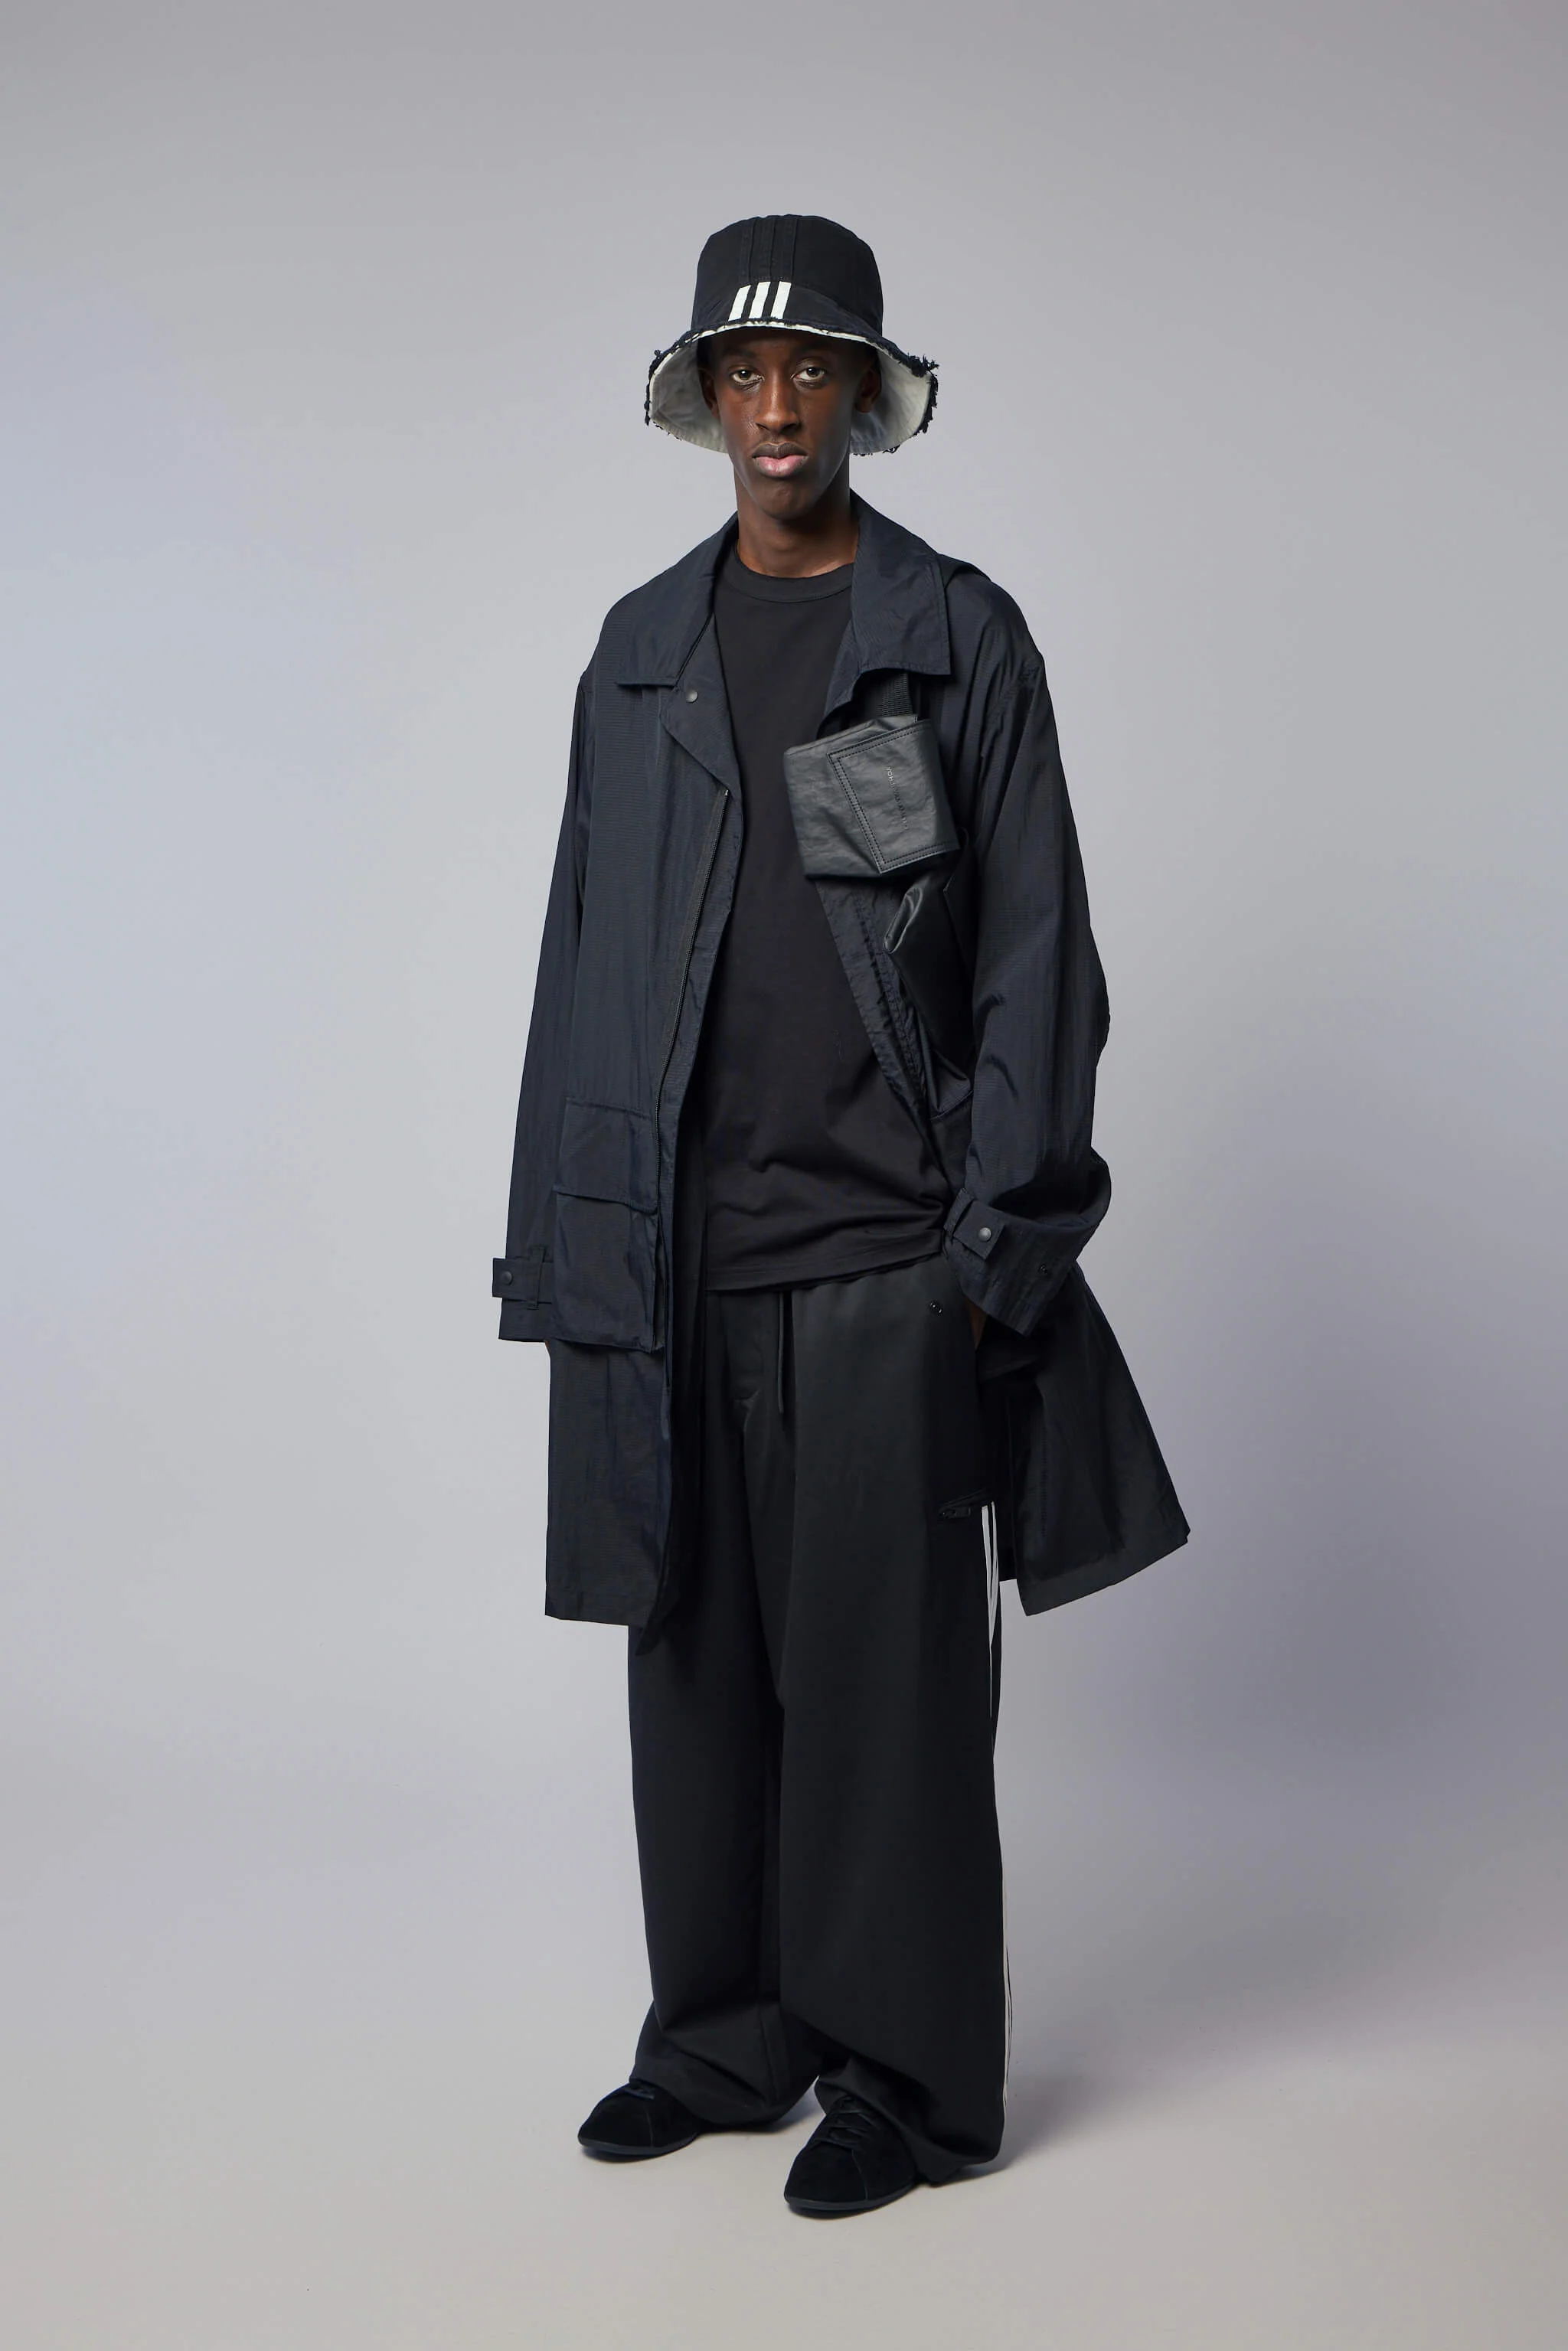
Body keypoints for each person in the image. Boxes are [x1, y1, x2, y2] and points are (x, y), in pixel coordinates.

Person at [494, 214, 1187, 2217]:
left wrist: (997, 1254)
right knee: (693, 1671)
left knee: (889, 1697)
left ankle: (906, 2080)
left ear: (867, 395)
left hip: (893, 1261)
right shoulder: (641, 648)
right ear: (707, 396)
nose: (780, 403)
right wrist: (571, 1253)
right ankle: (725, 2037)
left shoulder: (952, 633)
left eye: (816, 369)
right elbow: (579, 964)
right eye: (746, 369)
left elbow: (1035, 960)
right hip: (678, 1264)